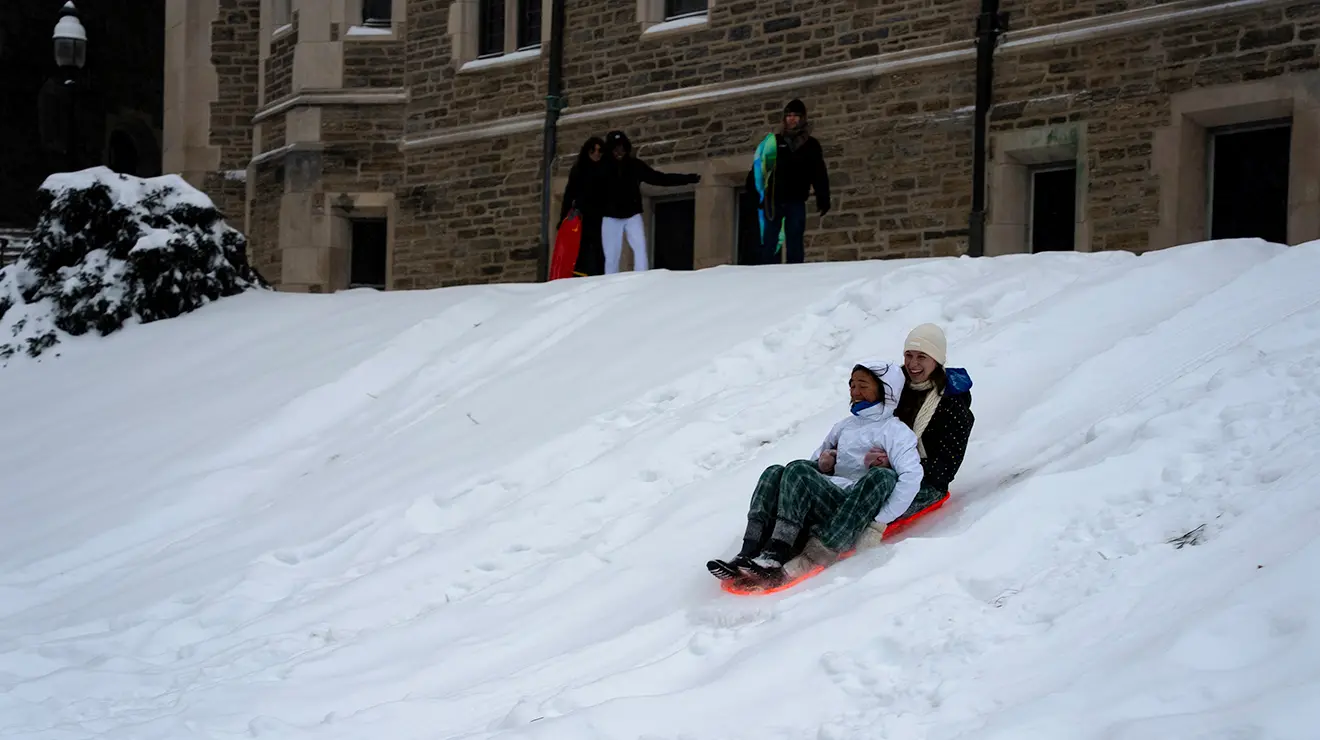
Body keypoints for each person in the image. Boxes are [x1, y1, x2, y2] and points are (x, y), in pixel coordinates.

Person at [707, 361, 924, 590]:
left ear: (886, 390)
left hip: (850, 508)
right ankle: (749, 550)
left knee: (798, 471)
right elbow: (810, 466)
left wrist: (879, 521)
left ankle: (777, 553)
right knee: (774, 472)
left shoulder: (895, 431)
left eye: (863, 385)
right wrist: (823, 465)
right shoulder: (844, 426)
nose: (855, 392)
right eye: (852, 385)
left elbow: (911, 478)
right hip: (829, 493)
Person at [851, 323, 975, 551]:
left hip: (925, 484)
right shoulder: (896, 388)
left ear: (936, 360)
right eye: (908, 355)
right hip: (878, 468)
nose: (913, 364)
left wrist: (896, 463)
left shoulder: (953, 406)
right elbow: (868, 423)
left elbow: (945, 469)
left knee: (871, 491)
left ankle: (819, 546)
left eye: (921, 357)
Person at [596, 130, 702, 274]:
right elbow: (589, 189)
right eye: (615, 148)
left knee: (640, 248)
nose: (619, 152)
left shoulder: (634, 165)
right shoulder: (601, 168)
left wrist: (686, 179)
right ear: (610, 150)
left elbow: (659, 178)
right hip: (610, 216)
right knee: (611, 255)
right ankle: (609, 283)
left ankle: (642, 278)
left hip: (632, 214)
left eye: (622, 148)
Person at [747, 98, 831, 265]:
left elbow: (819, 173)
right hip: (774, 199)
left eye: (796, 116)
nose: (792, 119)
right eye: (789, 116)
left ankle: (794, 276)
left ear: (802, 118)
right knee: (769, 242)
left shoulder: (810, 145)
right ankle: (765, 274)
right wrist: (754, 193)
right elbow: (759, 168)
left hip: (796, 199)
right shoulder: (774, 142)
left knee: (795, 241)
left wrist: (823, 197)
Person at [558, 136, 606, 276]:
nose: (596, 154)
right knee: (582, 249)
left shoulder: (605, 169)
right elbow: (569, 194)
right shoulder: (579, 169)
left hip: (601, 216)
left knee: (600, 250)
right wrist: (563, 218)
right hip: (583, 217)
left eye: (600, 151)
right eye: (593, 150)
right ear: (587, 151)